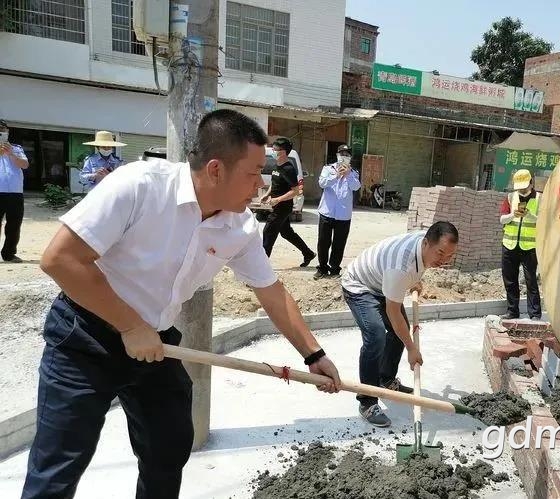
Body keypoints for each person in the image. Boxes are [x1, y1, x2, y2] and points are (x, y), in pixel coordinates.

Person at [21, 109, 341, 499]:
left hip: (157, 345)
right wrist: (129, 326)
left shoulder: (238, 226)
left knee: (168, 446)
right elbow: (61, 259)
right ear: (215, 169)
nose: (261, 185)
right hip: (84, 337)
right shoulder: (139, 187)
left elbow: (271, 291)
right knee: (58, 466)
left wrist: (313, 353)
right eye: (253, 172)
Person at [341, 221, 458, 427]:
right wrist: (412, 349)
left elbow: (409, 272)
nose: (444, 260)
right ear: (426, 244)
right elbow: (392, 311)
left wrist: (413, 280)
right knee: (376, 336)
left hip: (382, 281)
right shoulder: (401, 267)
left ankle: (385, 379)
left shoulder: (425, 241)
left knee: (398, 333)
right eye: (440, 253)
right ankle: (367, 401)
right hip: (359, 285)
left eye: (449, 256)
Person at [261, 137, 316, 266]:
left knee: (268, 232)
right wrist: (267, 195)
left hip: (283, 207)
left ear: (284, 152)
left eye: (276, 150)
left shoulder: (288, 169)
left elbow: (295, 191)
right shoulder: (277, 165)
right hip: (277, 205)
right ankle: (308, 253)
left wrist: (277, 199)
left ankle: (261, 268)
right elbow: (274, 184)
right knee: (286, 233)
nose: (273, 151)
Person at [498, 169, 542, 320]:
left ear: (531, 183)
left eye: (525, 185)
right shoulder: (510, 197)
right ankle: (512, 311)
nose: (522, 189)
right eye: (520, 186)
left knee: (531, 281)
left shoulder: (540, 198)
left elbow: (545, 221)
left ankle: (535, 314)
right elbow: (502, 220)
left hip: (529, 247)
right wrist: (512, 215)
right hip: (509, 245)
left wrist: (530, 215)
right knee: (510, 280)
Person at [314, 144, 361, 280]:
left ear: (350, 158)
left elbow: (356, 186)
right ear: (337, 155)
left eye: (347, 155)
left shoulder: (354, 173)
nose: (344, 157)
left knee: (339, 244)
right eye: (342, 154)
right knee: (323, 242)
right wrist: (336, 175)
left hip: (343, 215)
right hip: (326, 212)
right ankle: (322, 268)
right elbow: (322, 183)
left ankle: (335, 269)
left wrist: (347, 175)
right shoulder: (328, 169)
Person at [0, 119, 29, 263]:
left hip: (15, 193)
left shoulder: (17, 148)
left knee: (14, 224)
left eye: (3, 130)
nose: (1, 132)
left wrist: (11, 154)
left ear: (8, 132)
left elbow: (24, 165)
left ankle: (9, 253)